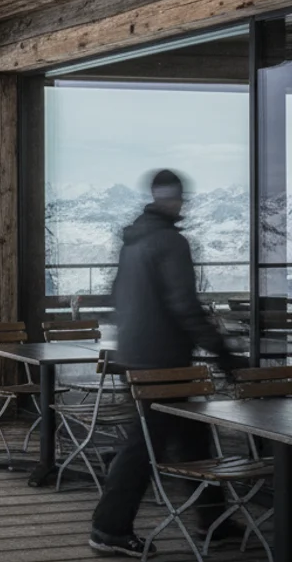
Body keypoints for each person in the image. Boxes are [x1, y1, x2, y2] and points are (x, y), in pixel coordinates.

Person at [89, 170, 245, 558]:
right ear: (172, 199)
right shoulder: (170, 242)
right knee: (143, 447)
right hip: (165, 359)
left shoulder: (134, 241)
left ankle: (217, 521)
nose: (183, 204)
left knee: (192, 437)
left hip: (138, 354)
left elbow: (118, 298)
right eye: (180, 198)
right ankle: (109, 528)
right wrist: (222, 352)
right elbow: (184, 305)